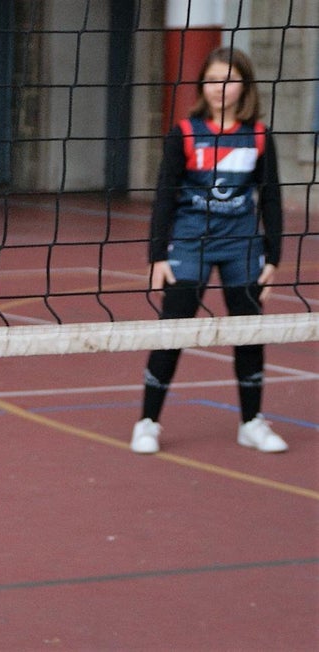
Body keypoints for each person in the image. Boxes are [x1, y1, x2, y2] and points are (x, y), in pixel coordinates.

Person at [131, 47, 286, 455]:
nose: (220, 88)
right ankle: (147, 422)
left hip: (242, 245)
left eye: (230, 80)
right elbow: (164, 196)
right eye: (213, 79)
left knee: (248, 332)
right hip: (189, 242)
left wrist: (273, 258)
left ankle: (251, 423)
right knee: (173, 329)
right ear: (202, 85)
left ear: (244, 87)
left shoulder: (258, 136)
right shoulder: (184, 133)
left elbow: (271, 198)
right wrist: (157, 255)